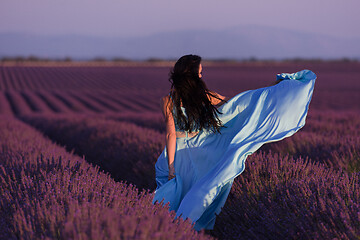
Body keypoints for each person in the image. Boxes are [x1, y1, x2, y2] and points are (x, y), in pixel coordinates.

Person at [153, 54, 316, 231]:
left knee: (174, 193)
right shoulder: (205, 96)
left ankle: (163, 228)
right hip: (202, 151)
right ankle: (185, 227)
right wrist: (268, 95)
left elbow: (171, 136)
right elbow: (239, 104)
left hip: (178, 153)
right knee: (199, 190)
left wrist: (170, 167)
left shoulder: (167, 101)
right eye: (199, 72)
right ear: (191, 74)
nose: (201, 76)